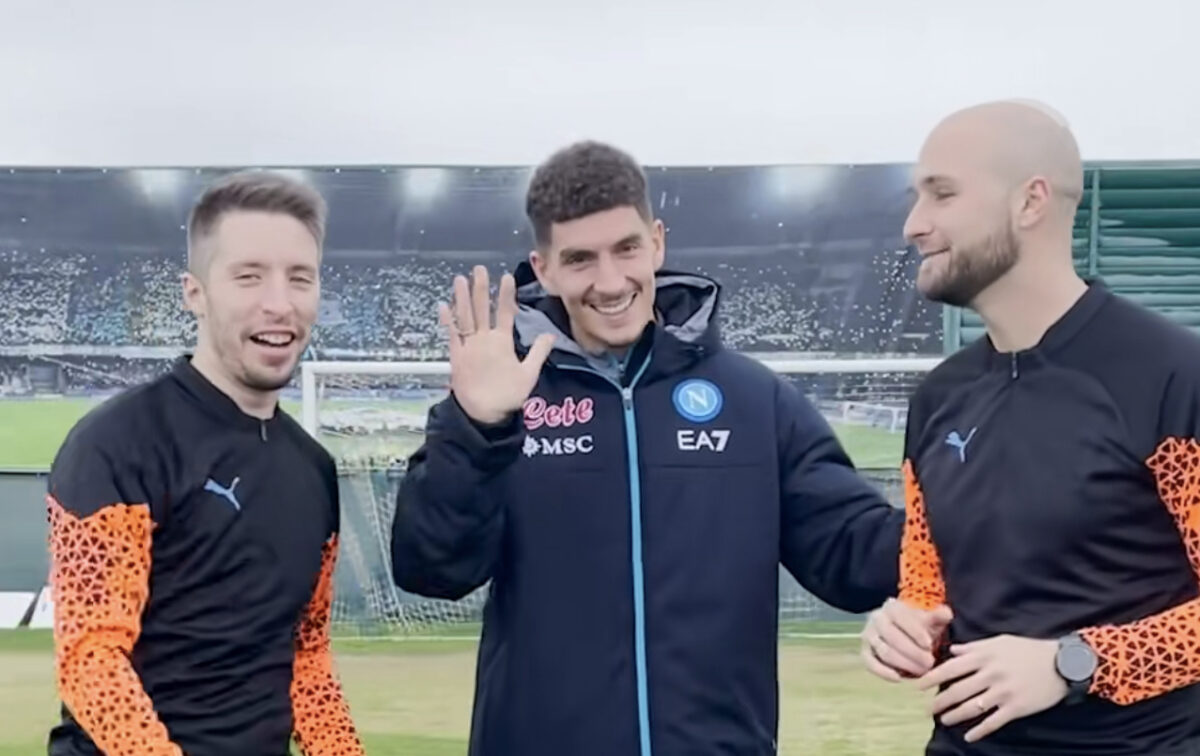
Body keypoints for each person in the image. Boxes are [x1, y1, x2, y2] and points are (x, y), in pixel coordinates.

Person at [391, 140, 906, 755]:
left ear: (657, 243)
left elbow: (853, 555)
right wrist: (476, 429)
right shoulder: (502, 402)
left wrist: (967, 508)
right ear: (544, 268)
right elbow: (431, 570)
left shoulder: (754, 399)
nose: (610, 282)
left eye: (627, 249)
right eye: (580, 259)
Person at [860, 100, 1200, 755]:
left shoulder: (1173, 376)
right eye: (915, 198)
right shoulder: (938, 398)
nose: (914, 224)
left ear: (1030, 201)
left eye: (942, 194)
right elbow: (927, 590)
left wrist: (1075, 663)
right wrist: (905, 627)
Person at [45, 171, 363, 756]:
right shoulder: (116, 444)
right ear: (195, 293)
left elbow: (307, 654)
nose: (279, 303)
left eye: (300, 277)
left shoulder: (314, 469)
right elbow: (92, 658)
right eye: (248, 276)